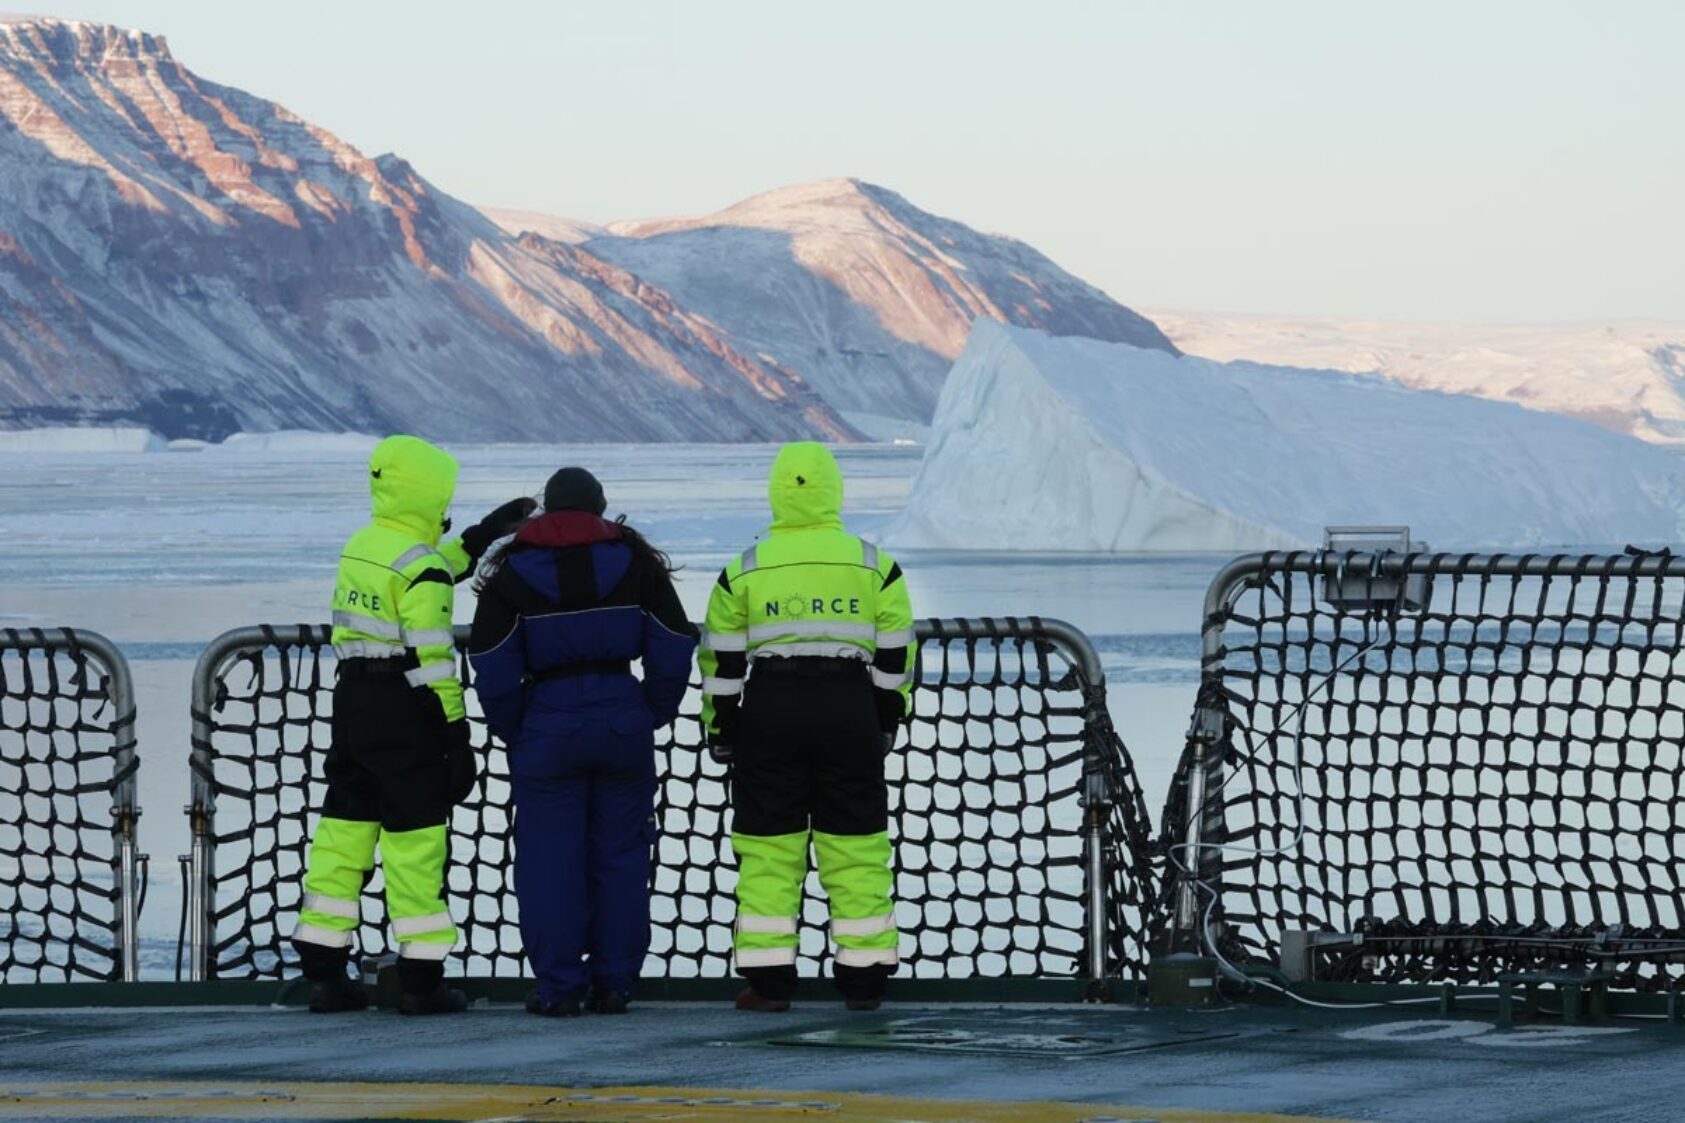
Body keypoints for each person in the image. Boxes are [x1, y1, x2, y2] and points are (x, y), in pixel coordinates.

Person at [291, 434, 534, 1016]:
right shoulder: (421, 568)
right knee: (415, 843)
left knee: (343, 834)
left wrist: (476, 538)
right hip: (405, 710)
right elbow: (433, 662)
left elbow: (424, 567)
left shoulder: (365, 546)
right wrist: (455, 736)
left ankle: (324, 972)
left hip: (352, 702)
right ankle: (422, 980)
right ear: (427, 496)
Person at [468, 467, 697, 1017]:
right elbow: (672, 642)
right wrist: (653, 710)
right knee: (621, 856)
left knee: (549, 860)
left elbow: (491, 663)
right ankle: (614, 985)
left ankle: (559, 988)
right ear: (600, 505)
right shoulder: (636, 562)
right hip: (622, 718)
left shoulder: (511, 571)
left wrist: (516, 728)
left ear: (546, 509)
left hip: (546, 723)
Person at [699, 442, 916, 1013]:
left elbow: (721, 663)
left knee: (769, 847)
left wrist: (723, 728)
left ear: (777, 493)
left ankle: (769, 981)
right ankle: (865, 979)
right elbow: (896, 655)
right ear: (834, 493)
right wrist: (884, 719)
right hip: (849, 709)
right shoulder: (874, 564)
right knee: (857, 844)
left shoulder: (743, 568)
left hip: (771, 707)